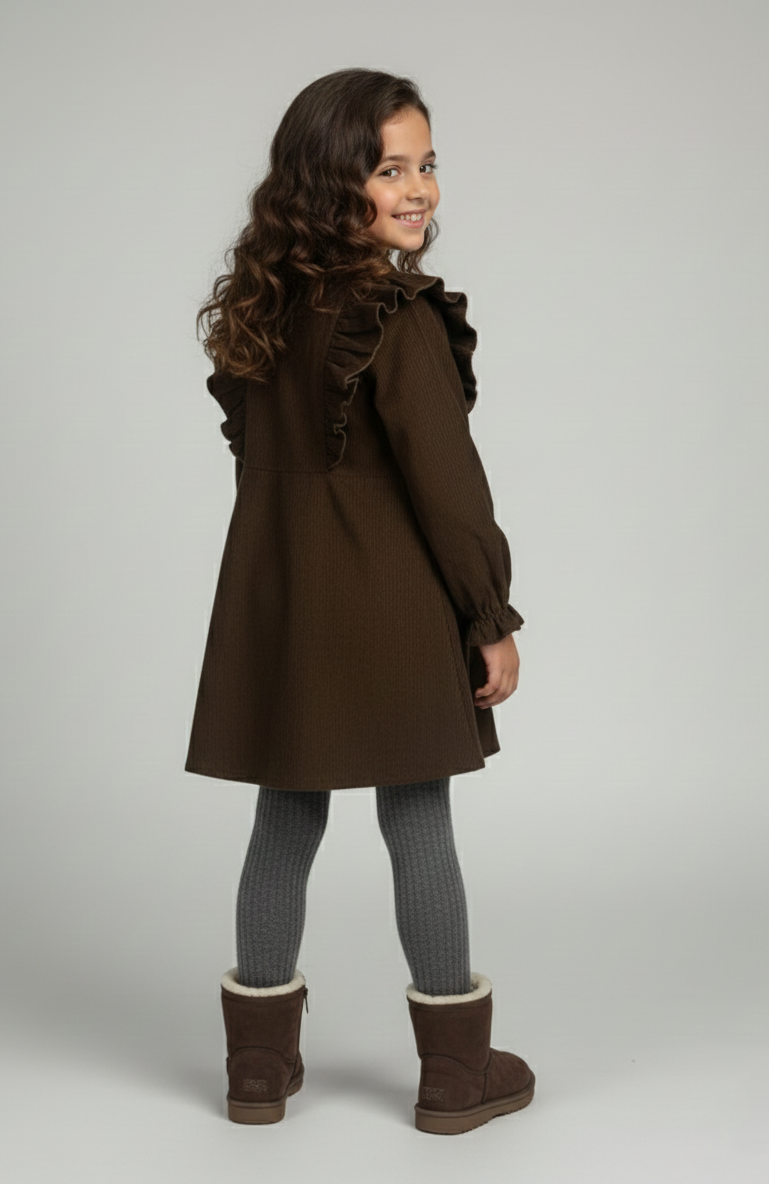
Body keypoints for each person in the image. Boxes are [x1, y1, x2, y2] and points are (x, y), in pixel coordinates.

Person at [184, 67, 535, 1135]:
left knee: (284, 816)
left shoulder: (266, 307)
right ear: (332, 182)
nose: (418, 188)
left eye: (426, 165)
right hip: (388, 605)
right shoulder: (395, 310)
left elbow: (260, 459)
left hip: (283, 603)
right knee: (417, 814)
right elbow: (447, 483)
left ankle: (256, 1069)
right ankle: (454, 1075)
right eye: (390, 169)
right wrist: (489, 614)